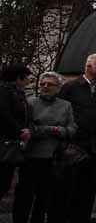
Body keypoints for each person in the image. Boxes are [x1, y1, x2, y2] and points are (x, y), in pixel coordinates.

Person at [14, 72, 76, 223]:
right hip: (31, 157)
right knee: (24, 198)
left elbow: (72, 128)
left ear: (58, 87)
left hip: (53, 159)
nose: (45, 87)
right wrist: (53, 129)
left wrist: (55, 130)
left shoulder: (65, 106)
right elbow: (28, 128)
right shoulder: (30, 103)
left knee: (44, 199)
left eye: (50, 84)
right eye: (43, 84)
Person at [58, 54, 96, 223]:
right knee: (69, 192)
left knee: (87, 193)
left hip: (95, 148)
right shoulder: (70, 87)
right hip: (74, 148)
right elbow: (61, 113)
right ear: (89, 67)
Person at [0, 63, 32, 208]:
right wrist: (20, 131)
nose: (27, 82)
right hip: (4, 145)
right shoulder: (4, 92)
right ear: (18, 78)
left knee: (5, 183)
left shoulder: (17, 93)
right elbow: (3, 115)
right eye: (26, 78)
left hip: (11, 145)